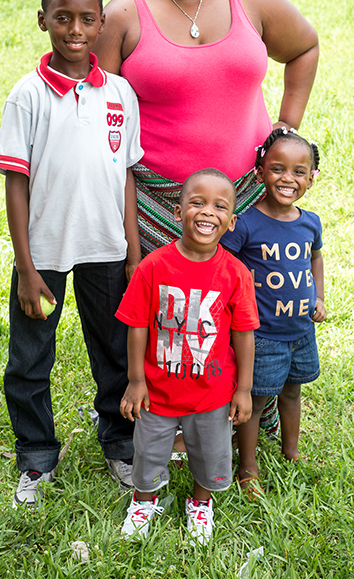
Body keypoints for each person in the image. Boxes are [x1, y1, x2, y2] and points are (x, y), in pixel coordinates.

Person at [93, 0, 319, 441]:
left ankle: (250, 398)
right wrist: (118, 224)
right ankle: (168, 416)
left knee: (246, 313)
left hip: (246, 198)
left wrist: (285, 131)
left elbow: (305, 47)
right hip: (158, 207)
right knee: (176, 321)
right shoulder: (124, 14)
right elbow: (96, 121)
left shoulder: (251, 2)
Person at [0, 0, 144, 508]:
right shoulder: (27, 96)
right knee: (30, 357)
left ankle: (121, 442)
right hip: (46, 250)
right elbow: (17, 182)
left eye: (86, 19)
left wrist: (132, 247)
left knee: (115, 350)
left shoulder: (121, 93)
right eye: (62, 18)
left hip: (107, 245)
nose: (75, 29)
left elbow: (125, 172)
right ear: (42, 22)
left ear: (101, 23)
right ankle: (35, 454)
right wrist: (26, 268)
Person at [116, 169, 259, 542]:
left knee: (211, 455)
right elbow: (137, 326)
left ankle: (201, 503)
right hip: (158, 393)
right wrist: (135, 381)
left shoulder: (235, 274)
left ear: (231, 221)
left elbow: (244, 334)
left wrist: (243, 389)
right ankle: (144, 500)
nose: (207, 212)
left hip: (211, 394)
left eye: (219, 206)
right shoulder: (153, 267)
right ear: (178, 213)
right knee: (147, 455)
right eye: (197, 202)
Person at [220, 128, 327, 495]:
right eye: (278, 168)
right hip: (262, 335)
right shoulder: (247, 223)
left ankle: (291, 451)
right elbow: (225, 265)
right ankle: (248, 467)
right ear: (259, 173)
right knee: (255, 399)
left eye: (299, 171)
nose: (288, 178)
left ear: (312, 179)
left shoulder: (310, 221)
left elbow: (316, 258)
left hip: (301, 331)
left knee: (293, 393)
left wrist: (320, 297)